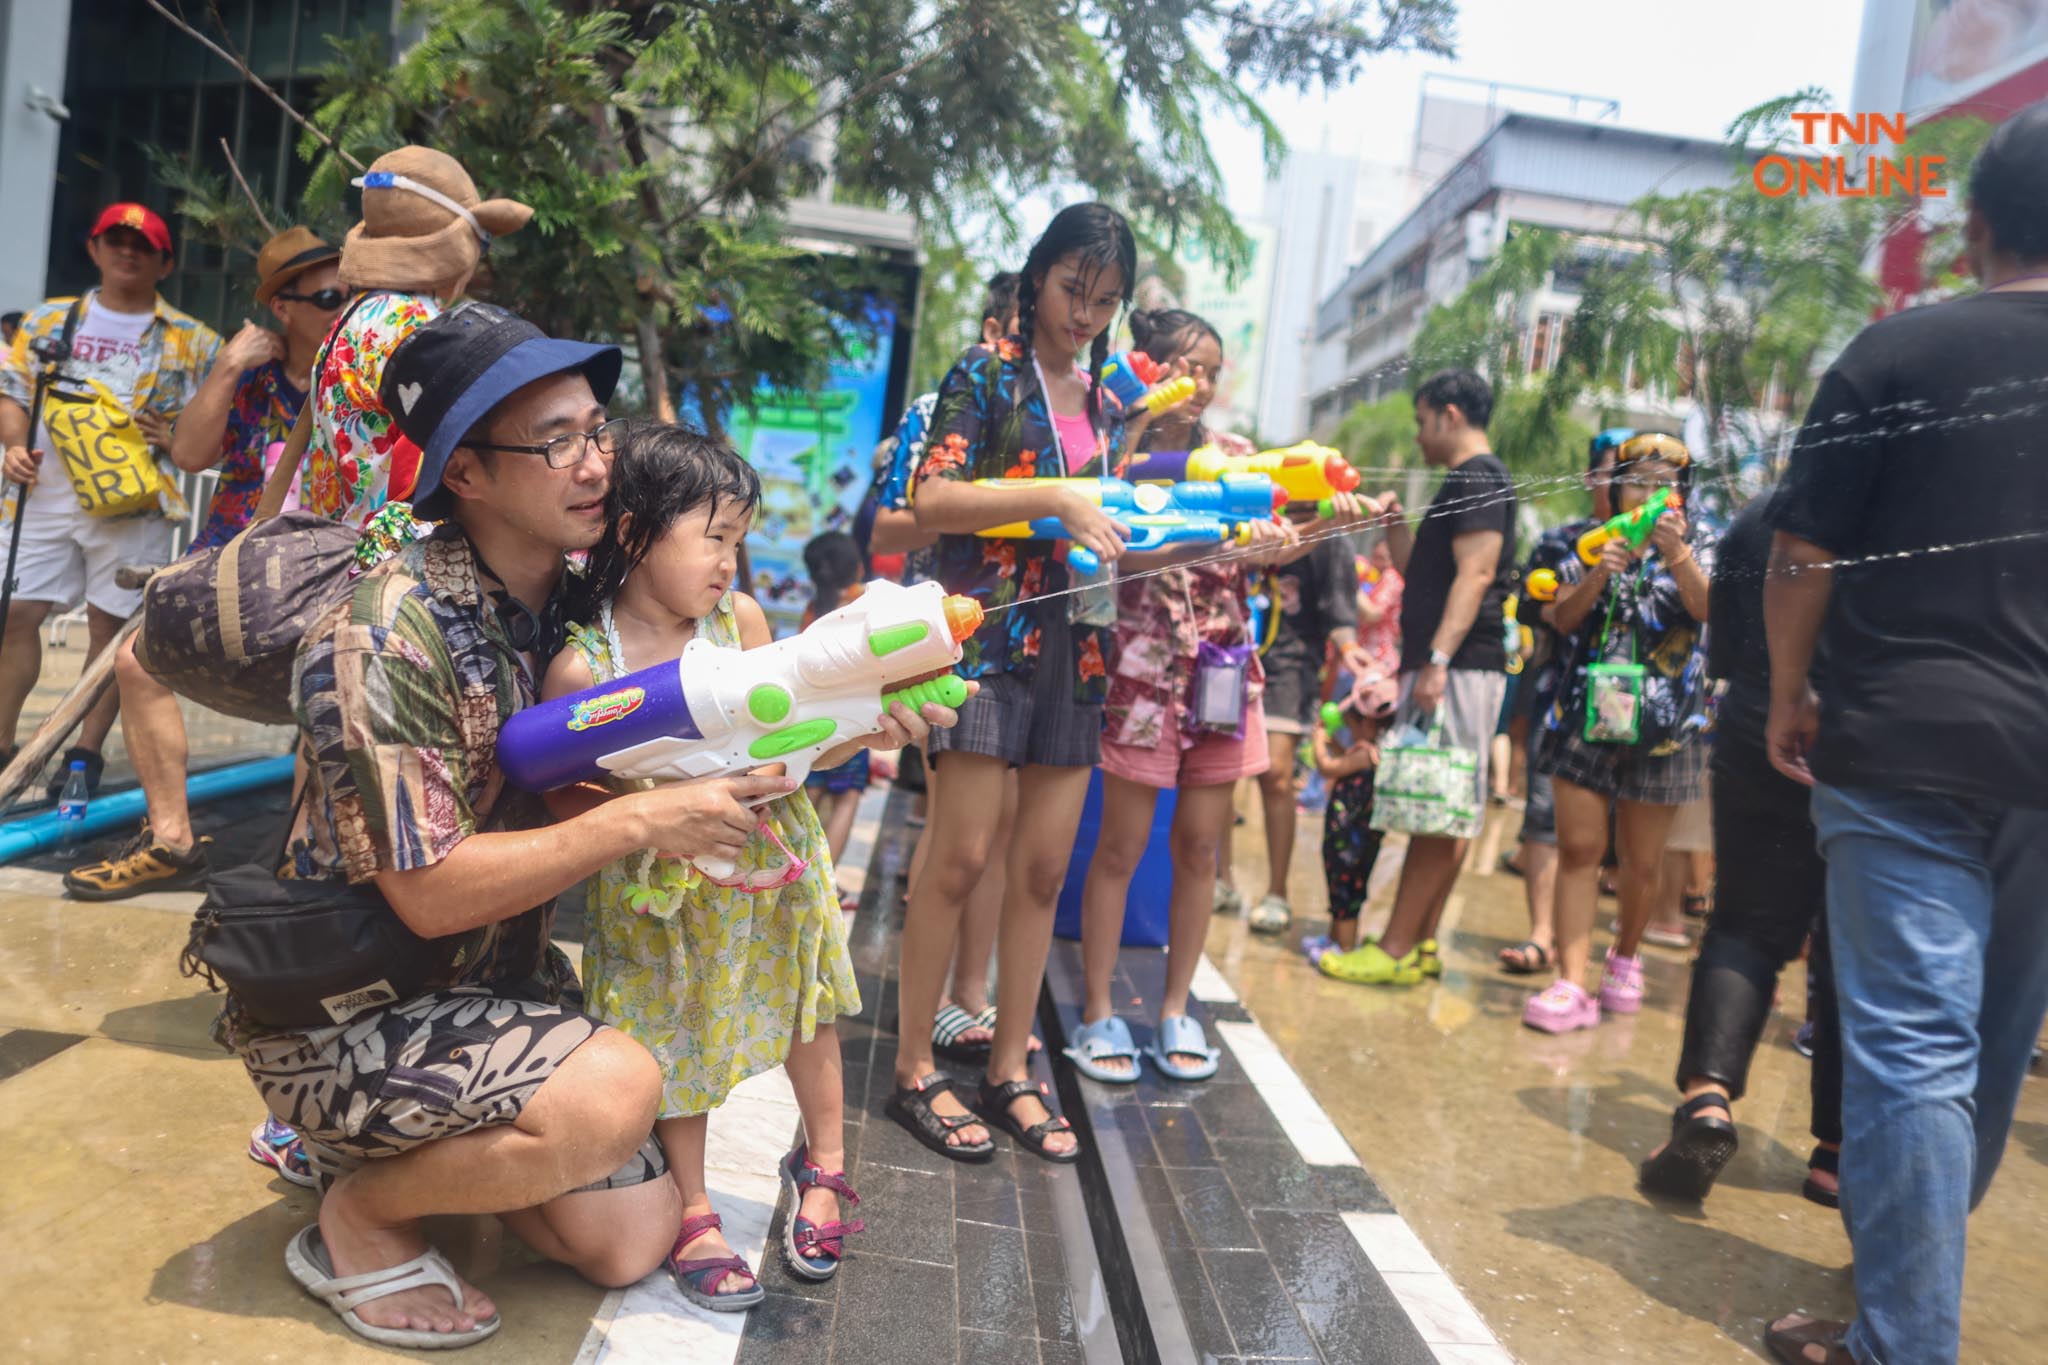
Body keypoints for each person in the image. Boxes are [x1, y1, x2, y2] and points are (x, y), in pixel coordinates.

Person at [227, 304, 790, 1349]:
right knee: (617, 1091)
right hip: (349, 1009)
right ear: (469, 477)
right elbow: (429, 890)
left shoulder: (572, 600)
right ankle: (358, 1210)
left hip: (489, 991)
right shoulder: (385, 632)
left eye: (595, 432)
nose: (593, 465)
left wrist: (857, 705)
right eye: (554, 442)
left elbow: (730, 681)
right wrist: (641, 823)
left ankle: (395, 1160)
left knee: (630, 1237)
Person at [1762, 105, 2048, 1365]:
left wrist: (1784, 689)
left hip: (1897, 743)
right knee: (1983, 1044)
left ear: (1971, 226)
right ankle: (1898, 1297)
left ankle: (1899, 1342)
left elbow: (1798, 550)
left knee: (1911, 1051)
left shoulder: (1893, 356)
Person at [545, 427, 955, 1303]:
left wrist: (867, 723)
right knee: (671, 1036)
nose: (731, 561)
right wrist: (653, 819)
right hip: (662, 896)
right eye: (714, 536)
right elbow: (562, 802)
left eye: (738, 538)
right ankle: (693, 1206)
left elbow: (794, 730)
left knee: (808, 1009)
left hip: (770, 860)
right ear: (633, 535)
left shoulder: (743, 625)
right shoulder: (587, 665)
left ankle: (828, 1162)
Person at [889, 203, 1142, 1165]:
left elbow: (1121, 525)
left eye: (1105, 298)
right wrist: (1053, 496)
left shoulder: (1106, 402)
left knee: (1041, 870)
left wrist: (1246, 538)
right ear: (1037, 277)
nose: (1085, 312)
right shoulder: (985, 375)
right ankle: (915, 1067)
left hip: (1077, 653)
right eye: (1074, 288)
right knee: (957, 860)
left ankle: (1006, 1071)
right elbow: (932, 500)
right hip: (986, 641)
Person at [1064, 306, 1315, 1084]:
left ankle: (1176, 1008)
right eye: (1188, 367)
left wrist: (1281, 543)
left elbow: (1282, 539)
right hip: (1140, 674)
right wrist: (1204, 538)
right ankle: (1100, 1008)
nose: (1201, 383)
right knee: (1119, 848)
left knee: (1202, 848)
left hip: (1221, 673)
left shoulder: (1236, 456)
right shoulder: (1117, 450)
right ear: (1151, 366)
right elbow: (1115, 561)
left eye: (1211, 370)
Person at [62, 227, 344, 908]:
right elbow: (189, 455)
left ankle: (300, 853)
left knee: (329, 671)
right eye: (332, 296)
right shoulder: (252, 380)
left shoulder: (359, 377)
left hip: (325, 564)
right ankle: (171, 837)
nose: (348, 307)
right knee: (136, 656)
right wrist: (225, 366)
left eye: (352, 292)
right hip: (235, 562)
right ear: (283, 307)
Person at [1639, 486, 1840, 1205]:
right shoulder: (1923, 508)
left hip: (1761, 723)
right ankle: (1836, 1155)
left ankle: (1707, 1098)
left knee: (1745, 925)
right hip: (1870, 732)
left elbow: (1721, 637)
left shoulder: (1770, 513)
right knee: (1855, 948)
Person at [0, 202, 220, 792]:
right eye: (115, 240)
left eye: (143, 245)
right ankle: (2, 744)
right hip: (42, 495)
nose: (128, 251)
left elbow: (223, 418)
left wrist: (177, 439)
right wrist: (14, 445)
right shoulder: (46, 322)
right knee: (14, 616)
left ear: (165, 263)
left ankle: (83, 755)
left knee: (110, 630)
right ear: (95, 249)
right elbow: (12, 391)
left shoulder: (195, 341)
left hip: (134, 505)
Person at [874, 271, 1027, 1063]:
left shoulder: (1058, 413)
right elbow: (894, 517)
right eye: (1012, 326)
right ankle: (927, 1009)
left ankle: (970, 994)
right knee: (956, 836)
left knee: (998, 832)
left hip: (1019, 634)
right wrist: (1009, 505)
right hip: (949, 633)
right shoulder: (942, 408)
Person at [1320, 369, 1515, 986]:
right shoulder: (1464, 482)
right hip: (1451, 663)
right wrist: (1396, 527)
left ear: (1448, 416)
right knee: (1446, 802)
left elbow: (1476, 575)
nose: (1418, 433)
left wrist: (1435, 661)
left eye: (1421, 419)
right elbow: (1423, 574)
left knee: (1436, 805)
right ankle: (1421, 940)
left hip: (1455, 666)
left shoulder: (1478, 477)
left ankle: (1398, 945)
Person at [1519, 433, 1713, 1031]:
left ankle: (1625, 957)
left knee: (1640, 862)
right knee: (1578, 848)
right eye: (1638, 481)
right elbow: (1562, 618)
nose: (1651, 493)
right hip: (1586, 710)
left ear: (1682, 494)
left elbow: (1714, 612)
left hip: (1665, 724)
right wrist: (1599, 573)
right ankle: (1571, 982)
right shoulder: (1594, 543)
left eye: (1664, 484)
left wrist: (1677, 555)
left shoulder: (1704, 542)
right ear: (1616, 487)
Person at [293, 145, 530, 534]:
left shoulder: (352, 318)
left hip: (340, 550)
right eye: (481, 242)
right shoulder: (423, 326)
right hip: (405, 562)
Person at [1498, 430, 1628, 974]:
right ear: (1591, 478)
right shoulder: (1561, 541)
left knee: (1618, 837)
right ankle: (1542, 935)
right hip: (1563, 697)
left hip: (1636, 707)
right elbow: (1532, 608)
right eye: (1612, 472)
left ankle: (1612, 955)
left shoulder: (1668, 546)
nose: (1624, 486)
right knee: (1547, 818)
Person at [1243, 514, 1369, 934]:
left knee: (1276, 775)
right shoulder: (1253, 512)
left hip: (1290, 666)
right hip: (1228, 653)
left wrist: (1349, 648)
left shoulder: (1330, 536)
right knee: (1216, 777)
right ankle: (1220, 879)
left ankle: (1277, 891)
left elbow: (1340, 610)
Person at [1302, 671, 1398, 963]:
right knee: (1340, 889)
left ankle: (1344, 950)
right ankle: (1332, 940)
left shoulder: (1366, 754)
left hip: (1350, 841)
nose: (1348, 729)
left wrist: (1319, 741)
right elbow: (1344, 758)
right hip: (1352, 838)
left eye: (1352, 724)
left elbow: (1330, 768)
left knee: (1346, 893)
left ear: (1367, 723)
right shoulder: (1367, 752)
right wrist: (1332, 742)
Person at [799, 528, 873, 897]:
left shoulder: (813, 612)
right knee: (848, 798)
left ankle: (793, 872)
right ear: (857, 567)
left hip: (812, 720)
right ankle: (825, 883)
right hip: (855, 720)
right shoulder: (866, 604)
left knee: (807, 795)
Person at [1354, 539, 1402, 677]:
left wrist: (1351, 582)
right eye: (1375, 557)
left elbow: (1373, 614)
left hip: (1379, 658)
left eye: (1383, 558)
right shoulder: (1371, 580)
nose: (1377, 564)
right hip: (1362, 656)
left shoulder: (1392, 576)